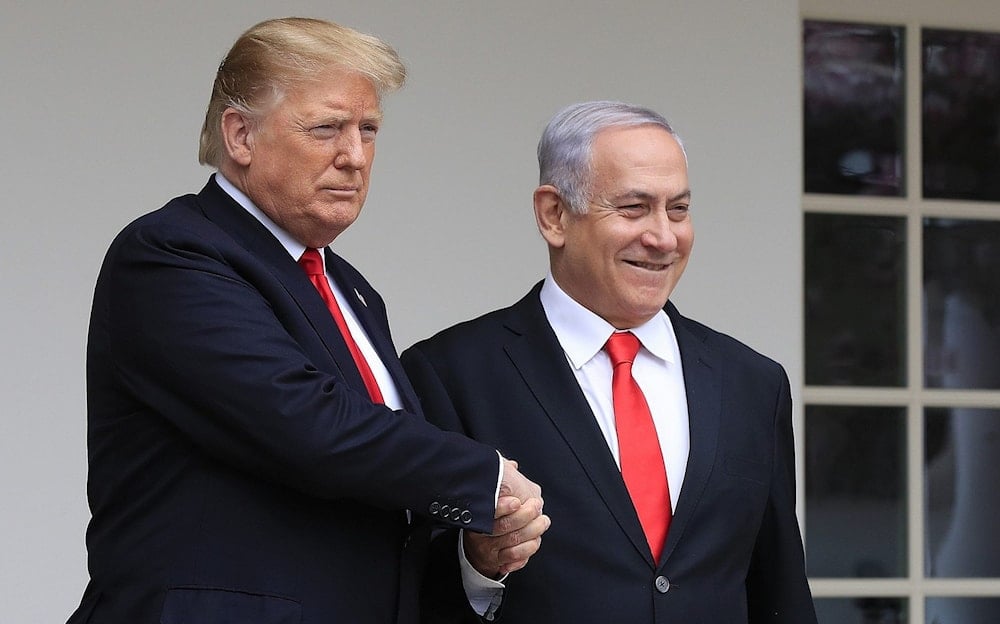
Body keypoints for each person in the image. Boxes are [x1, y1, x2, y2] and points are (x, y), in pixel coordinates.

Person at [66, 17, 547, 624]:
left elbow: (376, 507)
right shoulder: (170, 254)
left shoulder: (351, 291)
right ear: (240, 135)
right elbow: (305, 423)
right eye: (326, 129)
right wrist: (484, 479)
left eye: (368, 130)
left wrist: (476, 554)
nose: (354, 157)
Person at [401, 101, 818, 622]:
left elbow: (779, 589)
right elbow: (410, 589)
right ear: (554, 215)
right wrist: (480, 563)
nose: (664, 237)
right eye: (634, 208)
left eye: (679, 210)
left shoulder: (752, 382)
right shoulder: (448, 373)